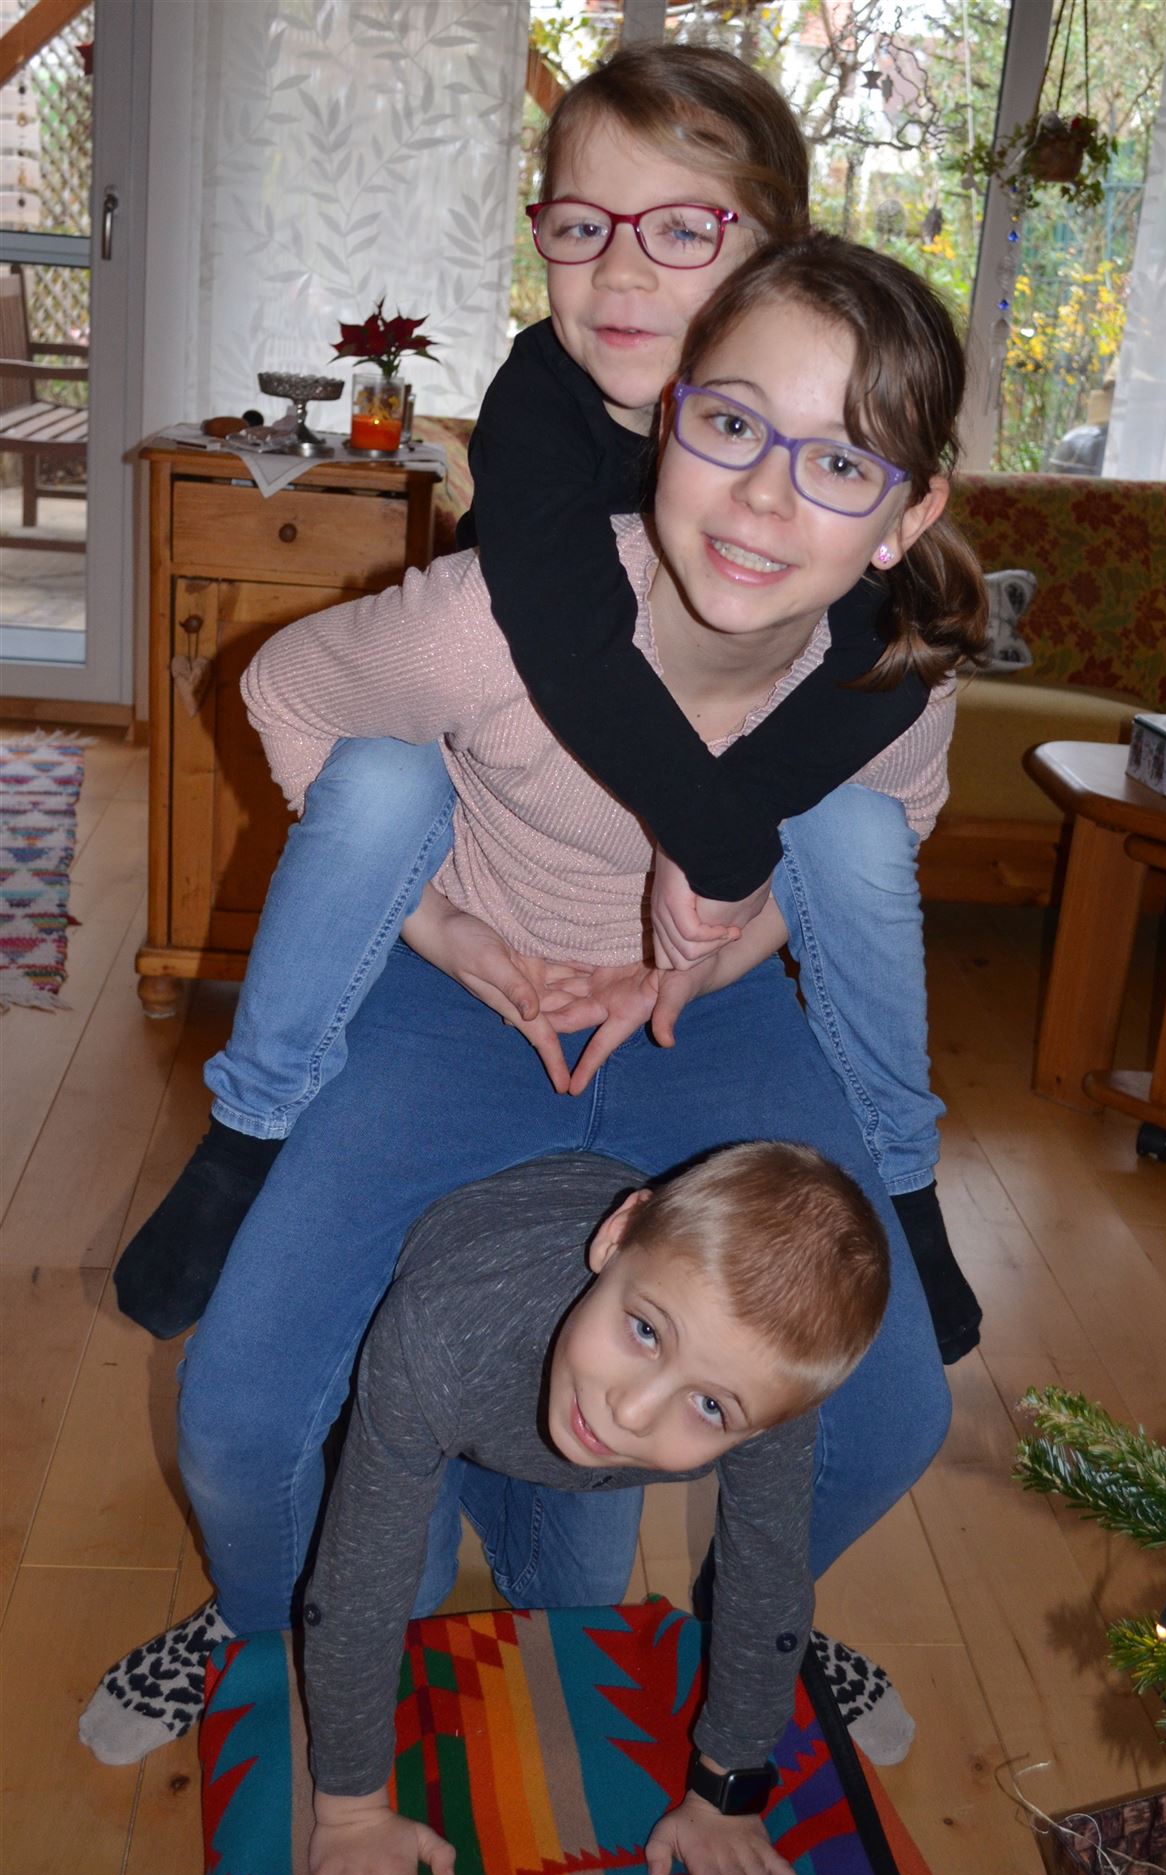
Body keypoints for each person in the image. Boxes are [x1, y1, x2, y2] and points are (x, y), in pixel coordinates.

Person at [84, 229, 978, 1766]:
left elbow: (882, 831)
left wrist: (701, 961)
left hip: (707, 1024)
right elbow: (282, 694)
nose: (764, 498)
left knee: (898, 1413)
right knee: (237, 1419)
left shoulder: (895, 672)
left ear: (909, 516)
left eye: (841, 464)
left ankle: (747, 1619)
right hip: (464, 1008)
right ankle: (255, 1619)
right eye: (732, 424)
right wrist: (440, 934)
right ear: (668, 417)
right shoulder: (491, 614)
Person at [113, 43, 981, 1364]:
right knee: (377, 783)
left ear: (780, 258)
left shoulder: (823, 436)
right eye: (580, 227)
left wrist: (724, 863)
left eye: (679, 229)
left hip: (681, 863)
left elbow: (895, 652)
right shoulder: (537, 401)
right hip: (506, 750)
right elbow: (568, 652)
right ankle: (248, 1134)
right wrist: (485, 916)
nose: (619, 273)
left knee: (859, 829)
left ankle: (902, 1180)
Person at [299, 1143, 890, 1875]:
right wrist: (350, 1812)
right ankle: (443, 1457)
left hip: (520, 1398)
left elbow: (766, 1576)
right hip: (445, 1367)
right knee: (410, 1585)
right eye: (645, 1330)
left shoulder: (763, 1393)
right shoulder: (440, 1327)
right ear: (616, 1237)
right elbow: (358, 1585)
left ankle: (482, 1459)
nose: (632, 1413)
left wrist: (727, 1793)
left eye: (711, 1406)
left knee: (578, 1600)